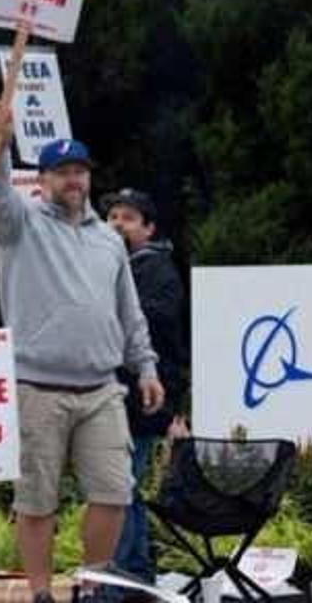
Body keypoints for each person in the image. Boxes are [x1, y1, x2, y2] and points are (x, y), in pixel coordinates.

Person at [0, 106, 164, 603]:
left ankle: (90, 582)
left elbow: (129, 311)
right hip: (37, 387)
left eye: (79, 171)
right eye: (61, 172)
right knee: (37, 501)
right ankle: (41, 593)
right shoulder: (18, 225)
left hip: (103, 388)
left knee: (115, 491)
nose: (73, 180)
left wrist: (145, 366)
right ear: (42, 181)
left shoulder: (108, 239)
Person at [101, 187, 187, 584]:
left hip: (144, 397)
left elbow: (151, 325)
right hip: (117, 394)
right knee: (125, 486)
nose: (117, 223)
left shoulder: (156, 270)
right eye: (113, 216)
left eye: (128, 217)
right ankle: (135, 572)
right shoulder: (109, 264)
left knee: (119, 485)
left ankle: (121, 573)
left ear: (148, 229)